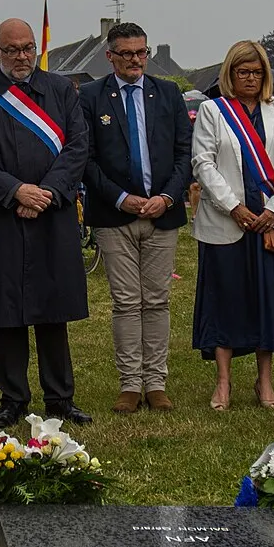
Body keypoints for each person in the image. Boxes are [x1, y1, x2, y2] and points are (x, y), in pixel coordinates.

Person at [0, 18, 92, 428]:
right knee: (8, 311)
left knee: (53, 309)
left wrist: (45, 193)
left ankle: (60, 398)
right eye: (12, 50)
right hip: (2, 216)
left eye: (28, 48)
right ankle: (13, 398)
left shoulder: (61, 90)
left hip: (53, 213)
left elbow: (77, 146)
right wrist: (15, 191)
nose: (21, 57)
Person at [80, 21, 193, 413]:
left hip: (163, 212)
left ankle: (156, 382)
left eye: (141, 52)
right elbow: (86, 159)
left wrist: (166, 196)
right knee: (127, 302)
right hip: (115, 216)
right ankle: (130, 383)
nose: (135, 60)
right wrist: (121, 198)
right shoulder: (91, 97)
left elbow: (184, 153)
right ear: (110, 56)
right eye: (126, 53)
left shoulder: (169, 93)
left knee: (158, 300)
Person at [191, 41, 274, 410]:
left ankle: (265, 382)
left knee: (266, 301)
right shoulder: (212, 110)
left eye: (257, 72)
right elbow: (203, 163)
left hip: (269, 221)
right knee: (225, 300)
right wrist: (234, 207)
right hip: (227, 221)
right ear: (230, 74)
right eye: (243, 72)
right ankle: (223, 383)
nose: (251, 78)